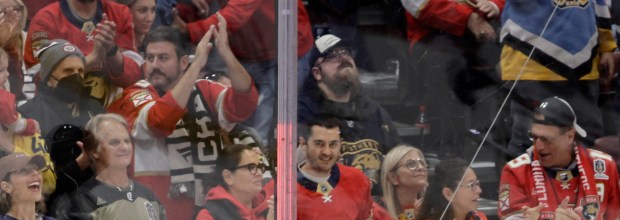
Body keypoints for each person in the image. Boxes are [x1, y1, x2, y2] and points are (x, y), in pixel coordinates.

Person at [107, 22, 257, 220]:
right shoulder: (135, 95)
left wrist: (226, 54)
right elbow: (160, 121)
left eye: (163, 59)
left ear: (183, 62)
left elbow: (246, 100)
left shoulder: (205, 91)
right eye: (149, 58)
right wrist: (197, 67)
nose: (154, 66)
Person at [174, 0, 314, 146]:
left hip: (286, 51)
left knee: (267, 118)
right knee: (244, 113)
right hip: (249, 49)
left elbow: (235, 14)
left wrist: (188, 30)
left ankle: (261, 160)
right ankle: (244, 156)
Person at [499, 0, 616, 158]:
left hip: (583, 66)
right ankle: (524, 183)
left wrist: (607, 46)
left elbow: (599, 6)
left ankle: (586, 182)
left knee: (586, 139)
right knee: (530, 140)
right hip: (531, 64)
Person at [298, 33, 402, 189]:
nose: (342, 57)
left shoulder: (374, 112)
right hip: (328, 204)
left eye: (346, 52)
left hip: (376, 204)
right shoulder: (305, 114)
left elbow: (398, 158)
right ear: (317, 73)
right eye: (332, 55)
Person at [402, 0, 503, 157]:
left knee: (511, 66)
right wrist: (468, 18)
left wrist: (495, 5)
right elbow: (418, 4)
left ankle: (507, 163)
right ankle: (451, 153)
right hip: (432, 34)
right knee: (449, 64)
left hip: (485, 29)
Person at [24, 0, 142, 106]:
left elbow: (133, 77)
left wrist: (111, 50)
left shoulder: (119, 13)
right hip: (59, 114)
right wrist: (94, 57)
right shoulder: (45, 19)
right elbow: (43, 78)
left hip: (110, 115)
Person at [20, 40, 103, 138]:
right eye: (68, 71)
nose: (76, 76)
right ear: (48, 77)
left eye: (80, 71)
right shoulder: (28, 114)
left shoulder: (95, 108)